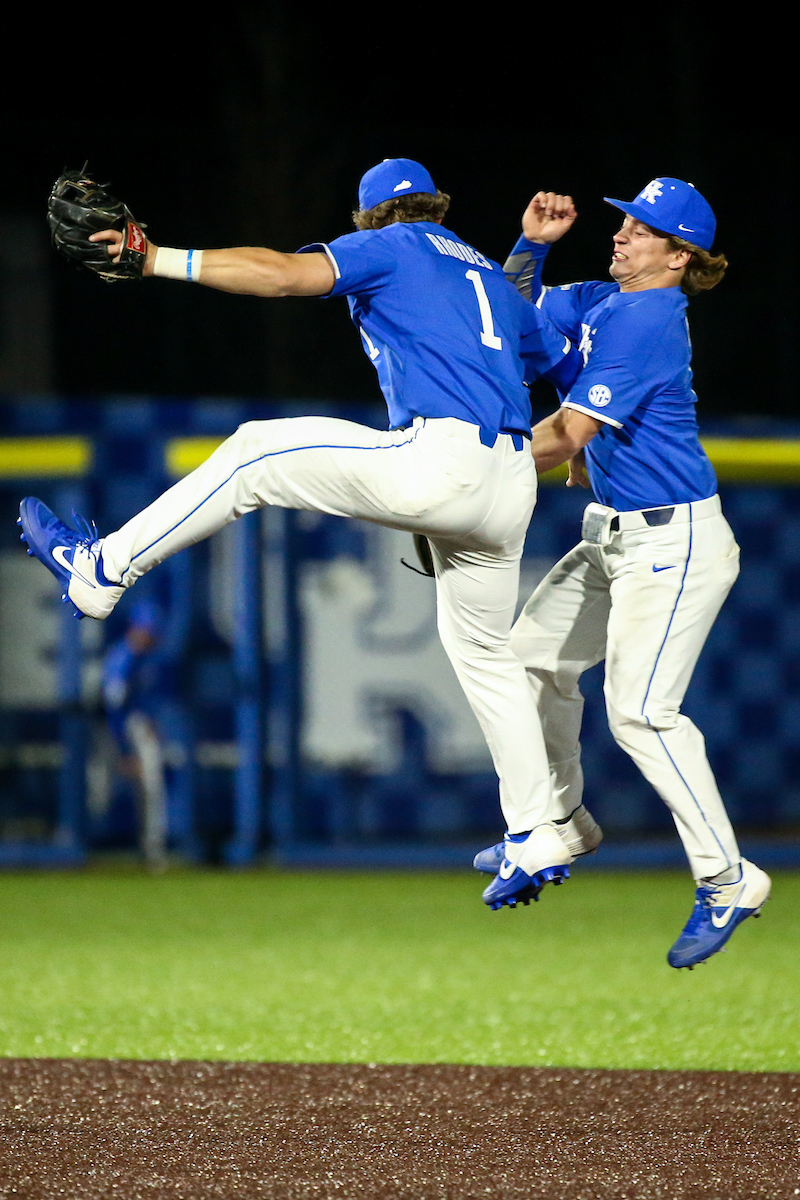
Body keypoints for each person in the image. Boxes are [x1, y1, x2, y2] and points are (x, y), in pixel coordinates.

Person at [19, 158, 583, 907]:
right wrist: (531, 254)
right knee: (484, 654)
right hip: (513, 478)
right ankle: (536, 827)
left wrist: (155, 257)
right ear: (435, 208)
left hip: (442, 460)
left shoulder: (398, 243)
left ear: (371, 217)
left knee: (254, 450)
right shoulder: (477, 268)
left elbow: (283, 275)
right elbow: (541, 353)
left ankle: (104, 569)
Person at [474, 178, 771, 967]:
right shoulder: (603, 300)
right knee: (531, 660)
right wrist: (531, 246)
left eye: (643, 230)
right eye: (627, 222)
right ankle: (565, 822)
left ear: (681, 257)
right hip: (614, 536)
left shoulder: (648, 321)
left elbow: (567, 433)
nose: (622, 234)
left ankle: (729, 877)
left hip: (673, 546)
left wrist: (466, 461)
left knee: (642, 712)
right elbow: (506, 321)